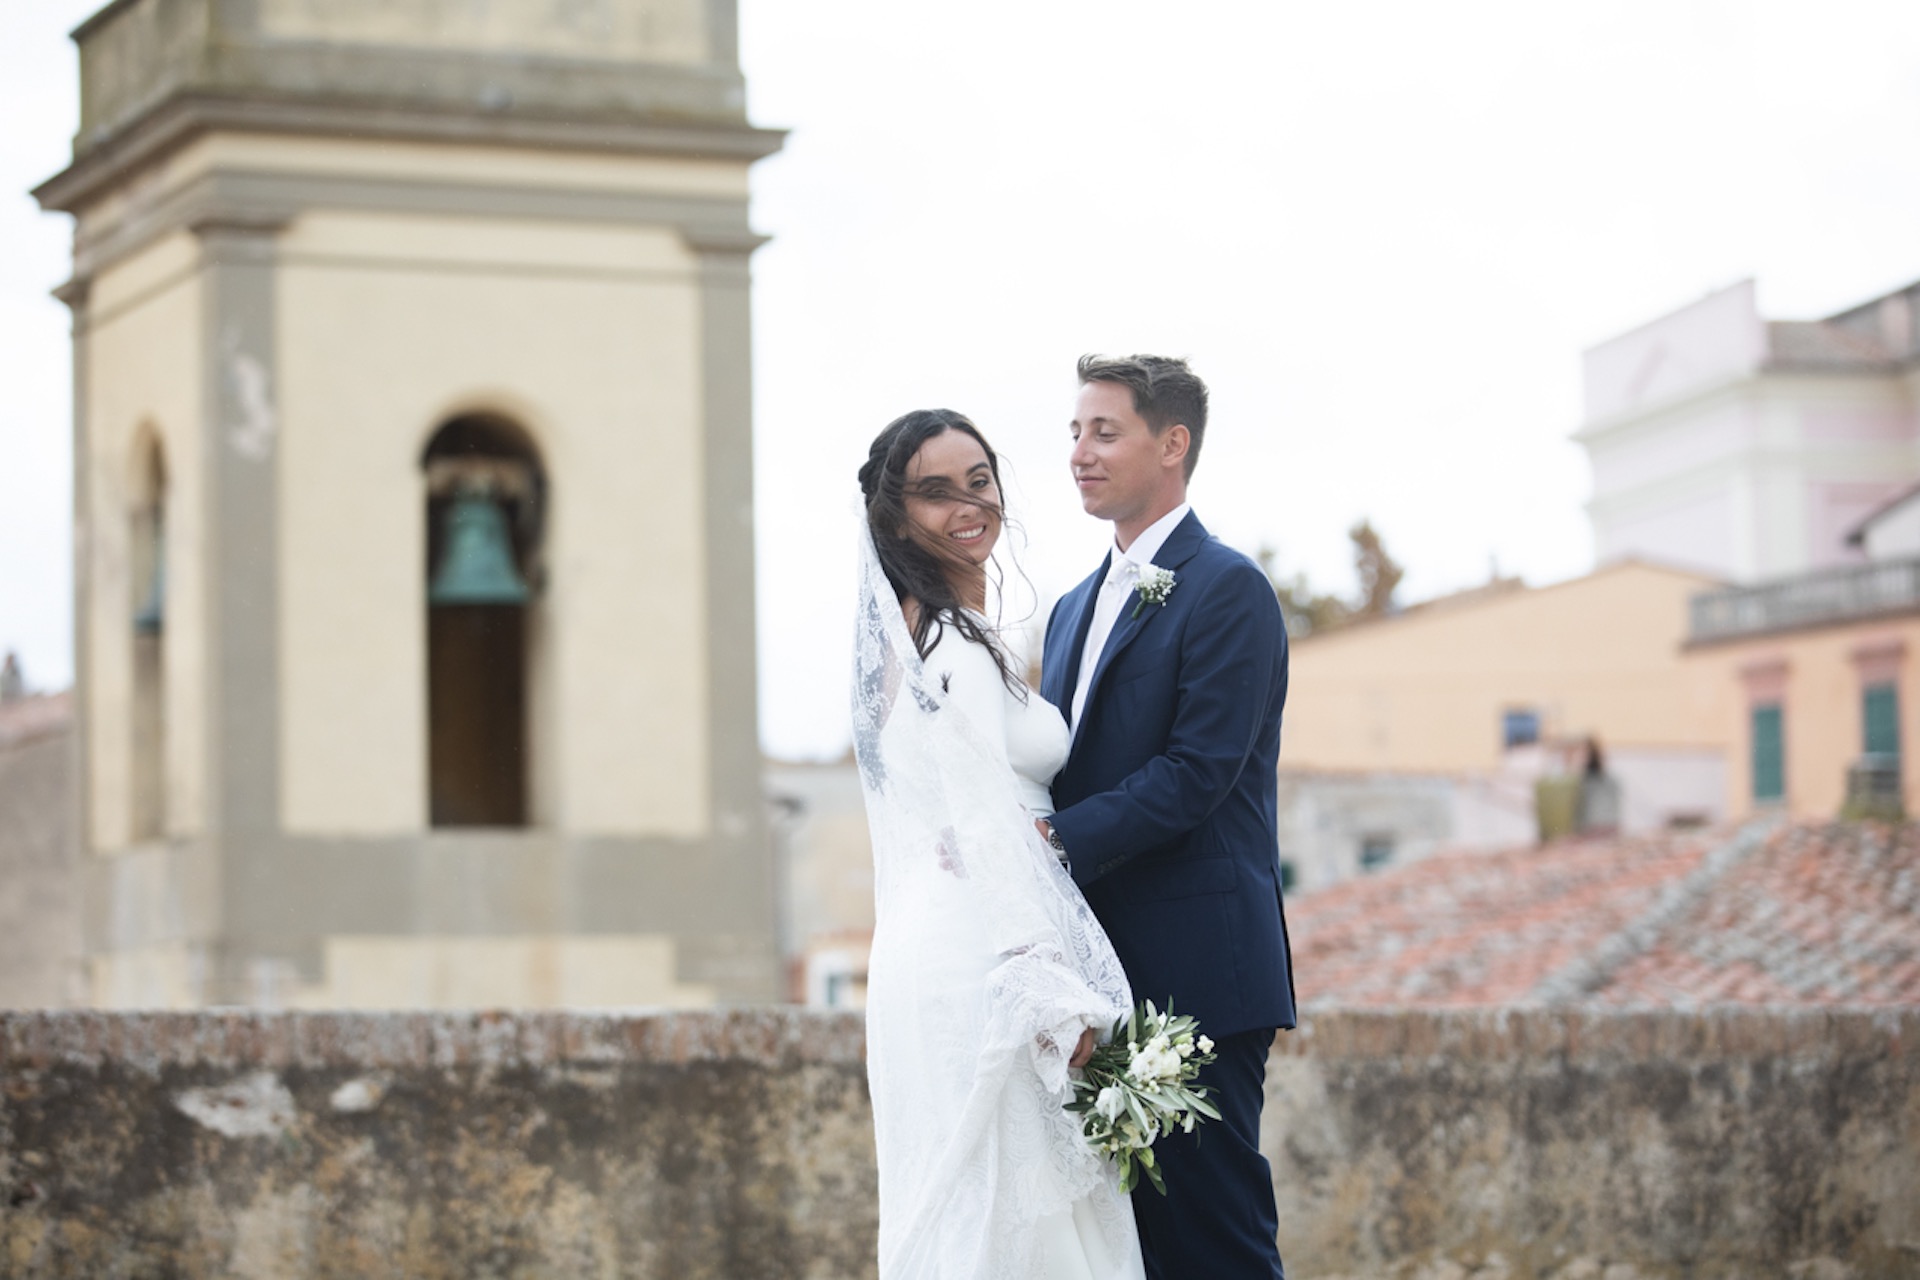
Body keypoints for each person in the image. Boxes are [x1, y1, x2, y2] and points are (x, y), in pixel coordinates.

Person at [852, 408, 1146, 1280]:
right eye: (935, 493)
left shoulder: (911, 638)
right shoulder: (953, 642)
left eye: (979, 481)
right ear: (896, 516)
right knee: (1021, 1227)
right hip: (986, 959)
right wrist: (1048, 994)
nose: (967, 506)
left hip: (927, 949)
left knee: (968, 1215)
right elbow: (983, 823)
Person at [1038, 355, 1297, 1279]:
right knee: (1128, 1252)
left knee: (1214, 1242)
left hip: (1199, 975)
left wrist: (1054, 842)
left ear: (1172, 443)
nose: (1079, 453)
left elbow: (1199, 773)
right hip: (1096, 980)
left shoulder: (1230, 590)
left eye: (1103, 432)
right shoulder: (1070, 609)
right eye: (1074, 432)